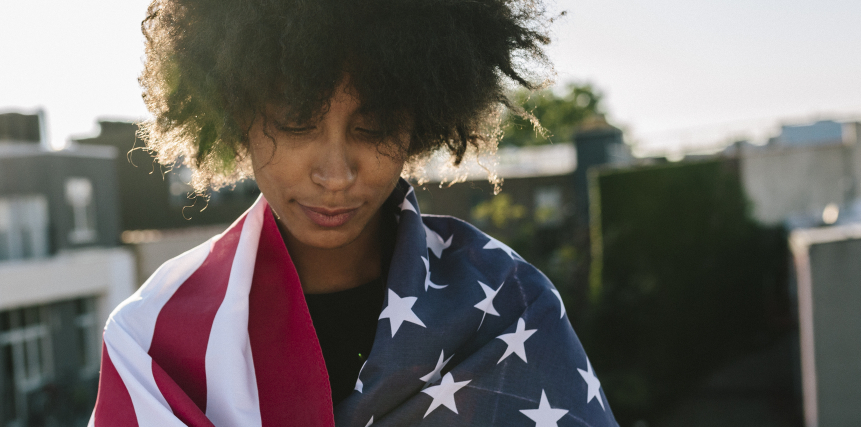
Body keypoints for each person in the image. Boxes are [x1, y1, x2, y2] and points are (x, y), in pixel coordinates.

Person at [90, 0, 618, 425]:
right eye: (296, 124)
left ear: (424, 119)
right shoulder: (153, 339)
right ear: (235, 115)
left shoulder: (510, 303)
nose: (336, 174)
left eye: (375, 127)